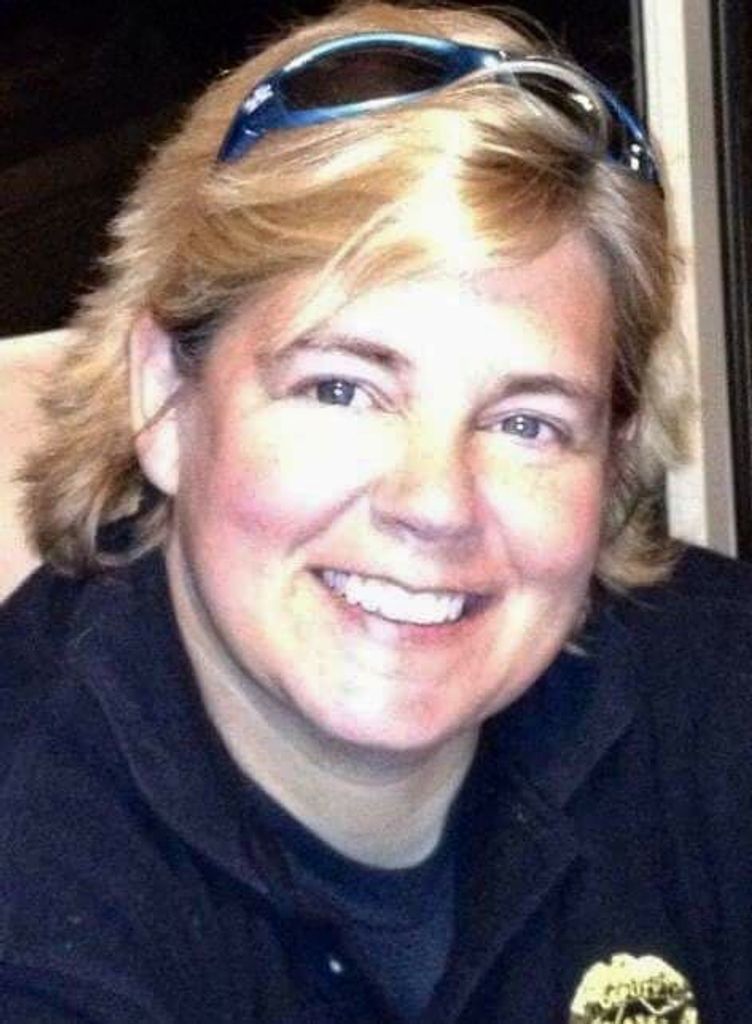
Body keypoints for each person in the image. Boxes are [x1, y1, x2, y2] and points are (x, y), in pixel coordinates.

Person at [1, 2, 751, 1021]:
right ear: (166, 399)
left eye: (526, 422)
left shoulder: (713, 696)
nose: (433, 503)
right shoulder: (37, 901)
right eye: (343, 389)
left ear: (613, 463)